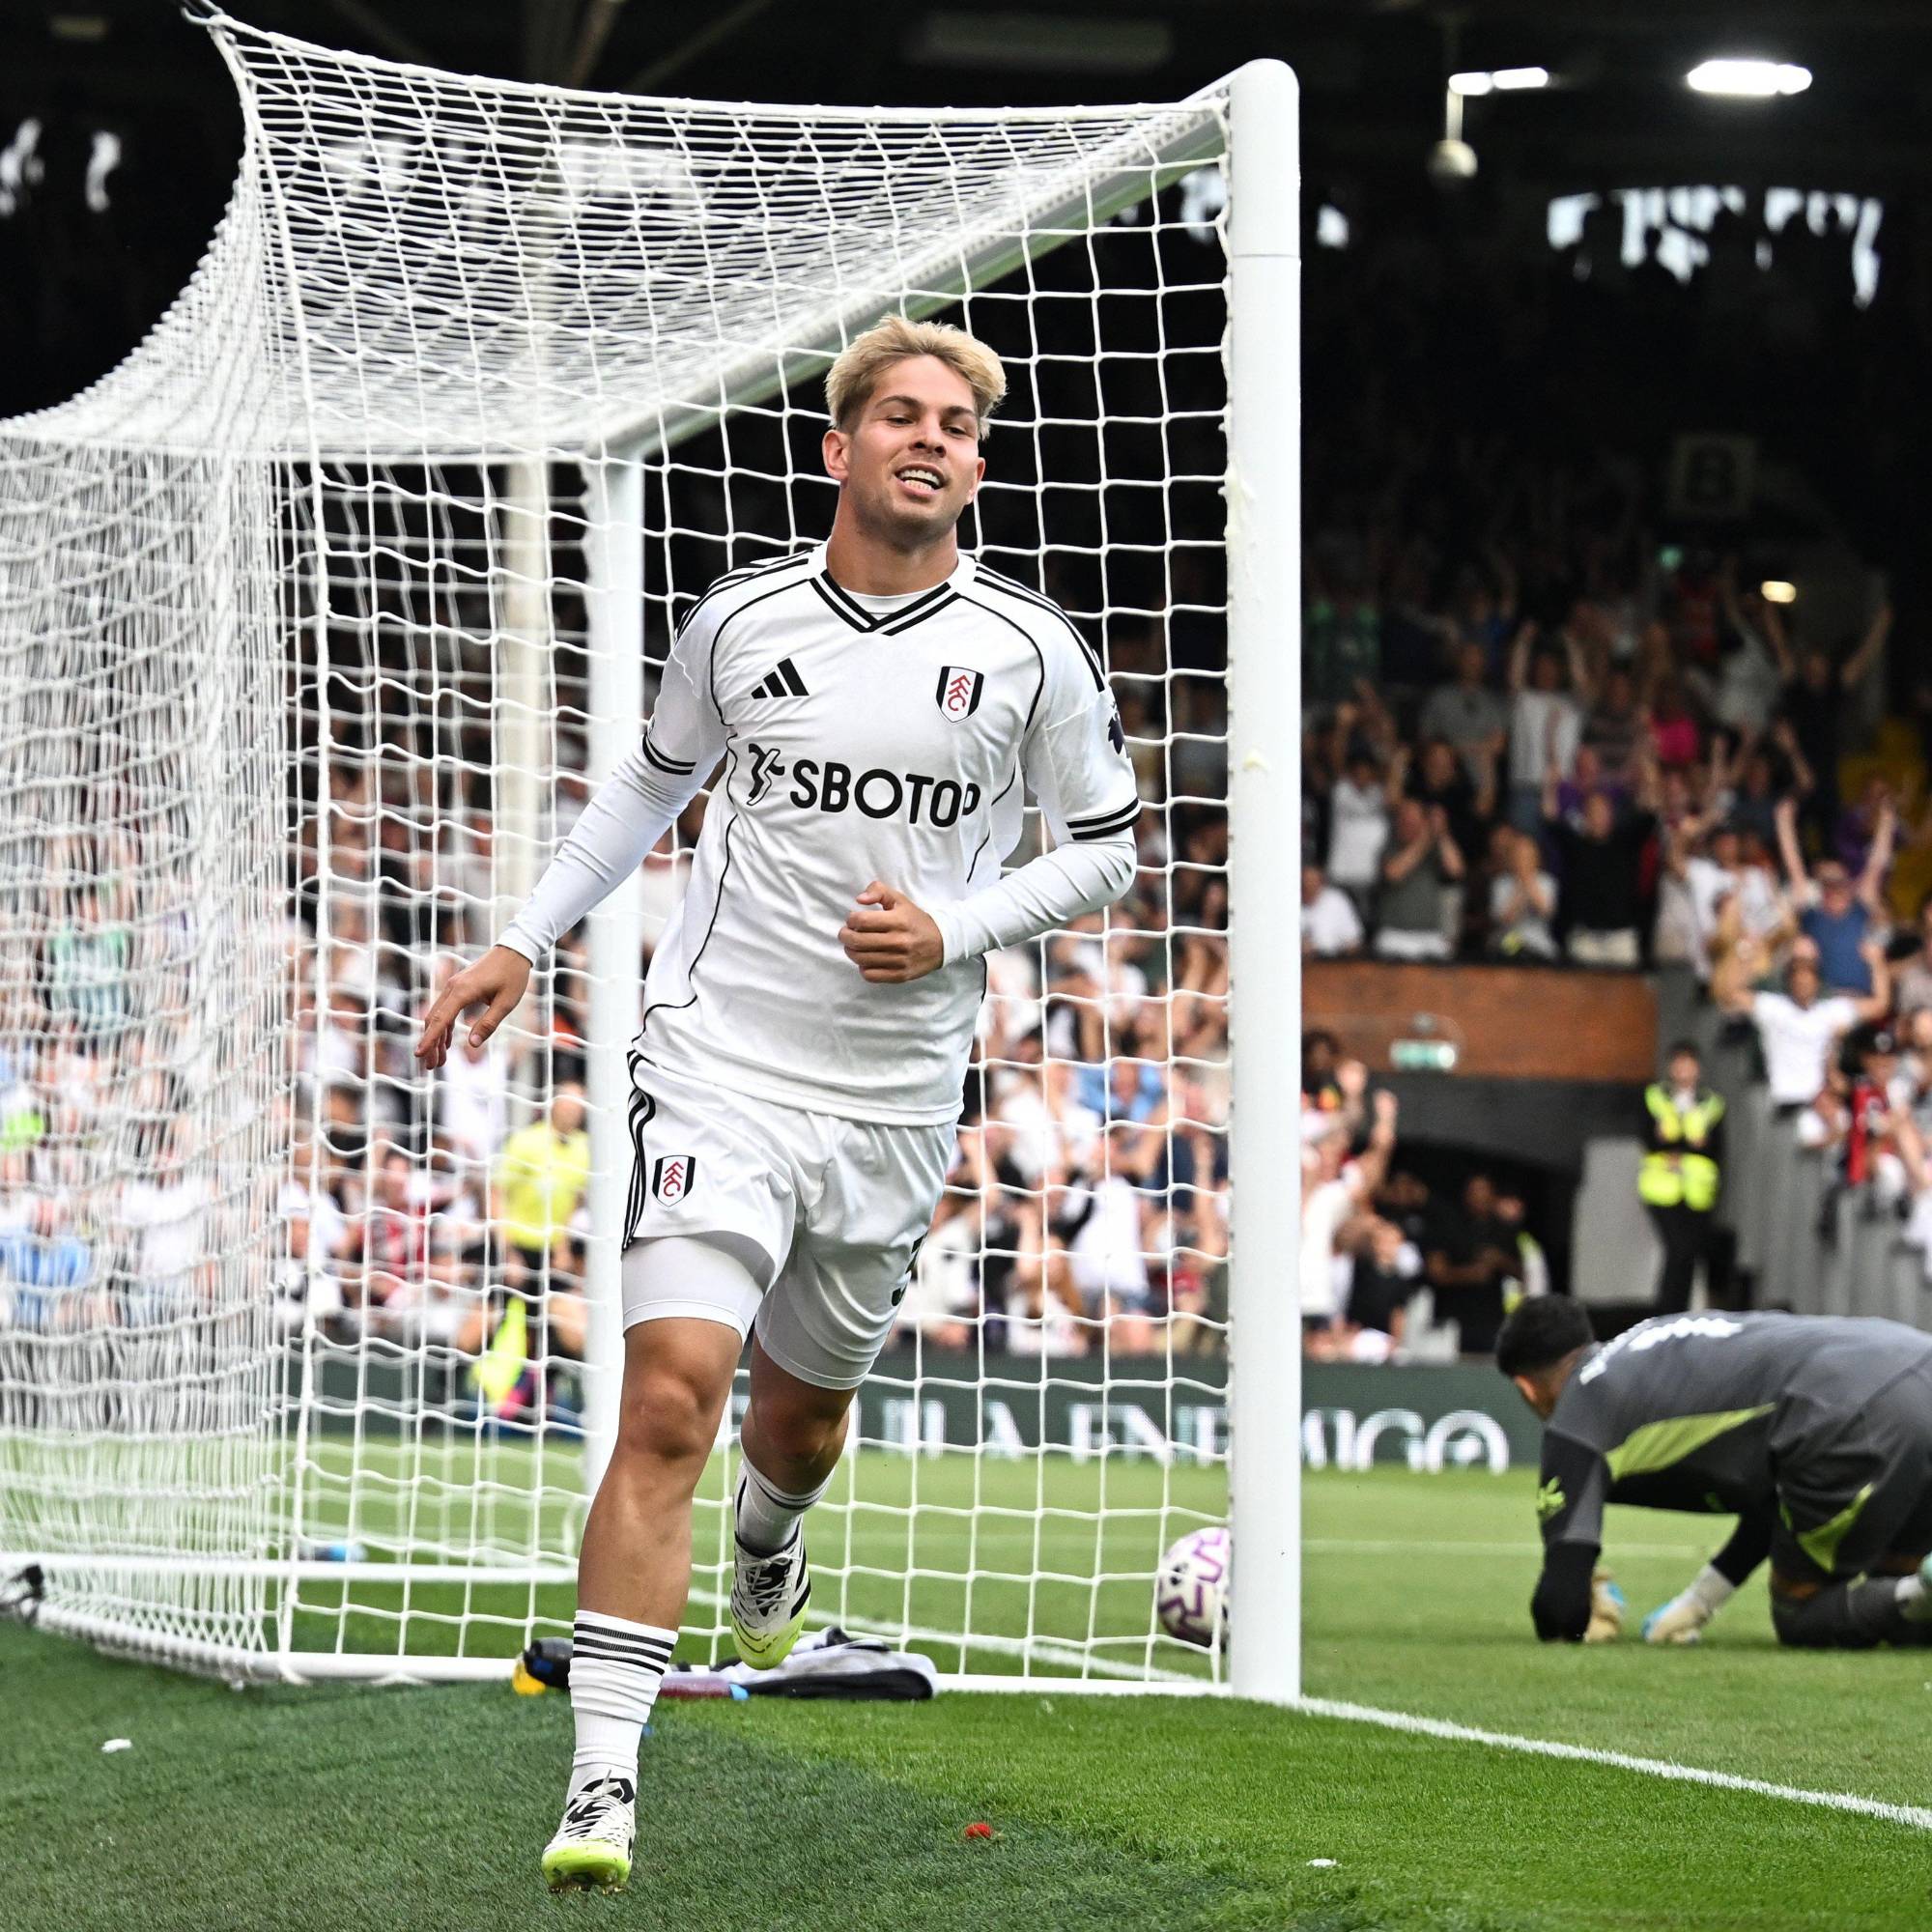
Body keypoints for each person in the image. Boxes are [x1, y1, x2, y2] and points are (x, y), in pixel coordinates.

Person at [415, 314, 1141, 1894]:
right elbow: (645, 788)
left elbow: (1109, 847)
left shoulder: (1030, 652)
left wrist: (962, 924)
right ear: (841, 445)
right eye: (900, 414)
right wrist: (519, 938)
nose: (929, 437)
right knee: (672, 1390)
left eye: (956, 421)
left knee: (796, 1426)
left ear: (977, 460)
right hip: (718, 1063)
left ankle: (769, 1538)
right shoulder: (742, 620)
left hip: (891, 1104)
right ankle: (605, 1778)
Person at [1499, 1298, 1932, 1649]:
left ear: (1526, 1388)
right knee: (1899, 1598)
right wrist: (1699, 1601)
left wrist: (1580, 1610)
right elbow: (1781, 1502)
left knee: (1802, 1614)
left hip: (1845, 1406)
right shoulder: (1648, 1339)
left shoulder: (1576, 1417)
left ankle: (1920, 1589)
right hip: (1914, 1357)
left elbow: (1559, 1610)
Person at [1636, 1042, 1725, 1313]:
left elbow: (1715, 1147)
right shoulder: (1654, 1097)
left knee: (1688, 1254)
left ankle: (1678, 1312)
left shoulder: (1712, 1103)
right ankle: (1665, 1310)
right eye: (1678, 1064)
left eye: (1689, 1064)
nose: (1683, 1070)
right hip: (1662, 1188)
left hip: (1697, 1190)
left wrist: (1678, 1143)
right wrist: (1686, 1144)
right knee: (1676, 1250)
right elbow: (1649, 1138)